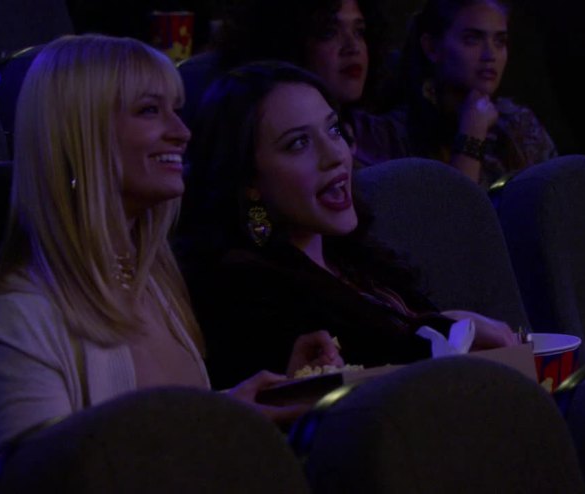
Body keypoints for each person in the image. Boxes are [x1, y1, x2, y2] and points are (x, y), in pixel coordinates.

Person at [0, 35, 338, 451]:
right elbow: (51, 476)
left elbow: (176, 429)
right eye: (149, 110)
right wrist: (222, 422)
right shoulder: (20, 319)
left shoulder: (155, 281)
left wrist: (267, 400)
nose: (182, 132)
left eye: (176, 110)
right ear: (82, 135)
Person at [178, 61, 517, 390]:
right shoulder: (245, 289)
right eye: (299, 143)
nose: (335, 155)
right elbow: (368, 385)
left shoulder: (355, 256)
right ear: (250, 181)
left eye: (333, 129)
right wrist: (451, 329)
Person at [212, 0, 409, 167]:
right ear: (289, 43)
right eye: (329, 33)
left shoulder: (384, 135)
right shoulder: (263, 144)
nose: (353, 47)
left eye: (359, 32)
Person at [402, 0, 557, 187]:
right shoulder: (397, 132)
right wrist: (472, 132)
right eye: (472, 39)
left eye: (500, 41)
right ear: (432, 48)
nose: (490, 55)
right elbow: (455, 204)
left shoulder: (520, 125)